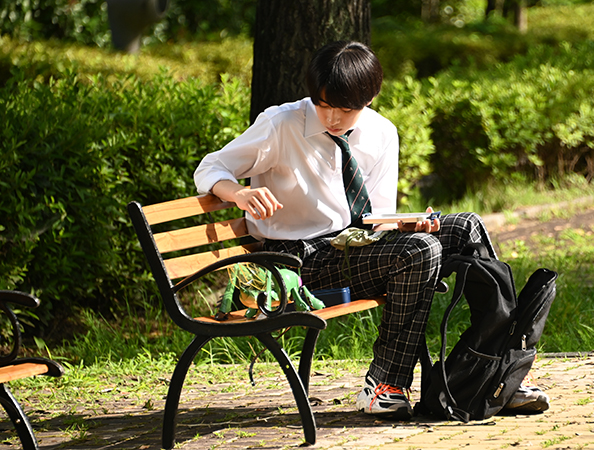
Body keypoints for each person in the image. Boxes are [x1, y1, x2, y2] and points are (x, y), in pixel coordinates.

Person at [194, 40, 547, 419]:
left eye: (345, 109)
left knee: (465, 227)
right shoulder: (280, 125)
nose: (331, 118)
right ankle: (384, 384)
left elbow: (375, 219)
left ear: (370, 96)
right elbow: (211, 167)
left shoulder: (381, 133)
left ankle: (501, 372)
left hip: (351, 247)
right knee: (420, 250)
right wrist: (240, 194)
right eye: (323, 104)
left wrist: (409, 224)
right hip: (297, 263)